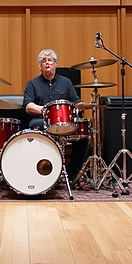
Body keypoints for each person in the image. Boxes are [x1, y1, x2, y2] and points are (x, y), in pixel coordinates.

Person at [23, 49, 91, 185]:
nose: (47, 63)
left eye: (49, 60)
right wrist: (43, 110)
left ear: (55, 64)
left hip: (64, 122)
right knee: (36, 126)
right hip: (41, 121)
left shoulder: (66, 82)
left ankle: (72, 173)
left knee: (83, 137)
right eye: (43, 61)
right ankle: (41, 172)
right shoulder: (33, 83)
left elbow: (76, 103)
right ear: (40, 66)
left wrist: (88, 105)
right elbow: (28, 106)